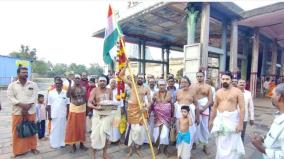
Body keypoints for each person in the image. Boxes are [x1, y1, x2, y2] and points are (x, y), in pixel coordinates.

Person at [209, 71, 245, 159]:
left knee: (232, 143)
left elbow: (242, 108)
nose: (225, 81)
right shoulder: (218, 92)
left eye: (227, 79)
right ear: (221, 80)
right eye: (223, 79)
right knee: (220, 141)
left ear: (231, 80)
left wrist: (240, 124)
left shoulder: (237, 91)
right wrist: (211, 120)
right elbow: (214, 107)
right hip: (220, 120)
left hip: (232, 120)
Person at [119, 62, 151, 158]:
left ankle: (137, 149)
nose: (140, 79)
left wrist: (146, 108)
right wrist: (126, 65)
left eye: (142, 78)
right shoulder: (132, 84)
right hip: (131, 110)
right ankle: (130, 150)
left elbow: (149, 101)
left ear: (144, 79)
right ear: (136, 78)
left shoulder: (146, 89)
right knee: (132, 130)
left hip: (141, 110)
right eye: (139, 77)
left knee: (140, 131)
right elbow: (121, 75)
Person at [7, 66, 39, 157]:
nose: (25, 74)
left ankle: (33, 148)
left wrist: (27, 107)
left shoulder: (33, 84)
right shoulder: (12, 85)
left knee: (32, 130)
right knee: (17, 131)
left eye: (26, 72)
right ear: (18, 74)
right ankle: (17, 151)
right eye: (23, 72)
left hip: (30, 111)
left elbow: (35, 96)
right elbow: (10, 97)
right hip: (17, 112)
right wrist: (21, 105)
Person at [251, 83, 284, 158]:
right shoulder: (279, 115)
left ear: (279, 97)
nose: (271, 97)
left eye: (273, 94)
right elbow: (276, 135)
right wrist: (263, 137)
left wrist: (261, 148)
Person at [88, 75, 113, 159]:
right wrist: (96, 107)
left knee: (106, 136)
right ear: (97, 82)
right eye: (101, 81)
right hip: (97, 116)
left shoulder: (110, 90)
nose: (102, 82)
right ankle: (93, 155)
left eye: (104, 81)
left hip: (107, 115)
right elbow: (89, 103)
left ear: (106, 82)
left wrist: (112, 106)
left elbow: (111, 102)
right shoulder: (94, 90)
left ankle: (104, 154)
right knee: (95, 136)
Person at [65, 74, 88, 153]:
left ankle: (82, 144)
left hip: (82, 109)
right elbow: (68, 95)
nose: (77, 80)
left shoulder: (84, 88)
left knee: (82, 128)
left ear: (80, 79)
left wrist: (87, 110)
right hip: (73, 110)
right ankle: (73, 145)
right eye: (75, 78)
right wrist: (70, 83)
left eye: (78, 78)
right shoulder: (71, 88)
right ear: (73, 80)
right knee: (73, 128)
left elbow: (85, 99)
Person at [175, 76, 199, 150]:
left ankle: (188, 151)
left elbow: (197, 105)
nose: (184, 84)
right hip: (179, 115)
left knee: (190, 133)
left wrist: (198, 117)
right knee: (179, 132)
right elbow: (175, 104)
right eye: (182, 82)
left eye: (185, 82)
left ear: (189, 83)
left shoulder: (193, 92)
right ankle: (180, 150)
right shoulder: (178, 92)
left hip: (190, 115)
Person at [47, 78, 70, 149]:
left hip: (63, 114)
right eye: (56, 83)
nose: (58, 84)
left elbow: (68, 104)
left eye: (59, 83)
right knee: (54, 129)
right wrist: (49, 115)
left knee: (63, 129)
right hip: (54, 114)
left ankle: (62, 143)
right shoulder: (51, 92)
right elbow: (49, 105)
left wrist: (67, 114)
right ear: (54, 84)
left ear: (62, 85)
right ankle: (54, 144)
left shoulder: (65, 93)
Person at [152, 79, 173, 155]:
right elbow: (154, 103)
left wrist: (158, 100)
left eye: (163, 85)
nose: (161, 86)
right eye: (160, 85)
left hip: (166, 117)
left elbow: (164, 101)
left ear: (165, 85)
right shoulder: (155, 93)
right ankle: (157, 148)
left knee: (165, 134)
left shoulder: (169, 93)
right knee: (156, 133)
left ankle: (165, 149)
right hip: (157, 117)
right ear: (157, 86)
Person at [193, 71, 213, 154]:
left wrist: (204, 108)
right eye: (198, 76)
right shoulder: (193, 86)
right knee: (194, 126)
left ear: (204, 76)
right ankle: (193, 143)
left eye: (201, 76)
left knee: (204, 128)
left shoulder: (208, 87)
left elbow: (210, 100)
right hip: (195, 107)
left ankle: (205, 146)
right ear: (196, 77)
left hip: (205, 108)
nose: (199, 78)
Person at [108, 78, 124, 144]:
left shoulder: (119, 91)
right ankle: (109, 139)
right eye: (112, 82)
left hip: (117, 109)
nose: (113, 84)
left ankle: (116, 139)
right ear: (109, 83)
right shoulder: (107, 90)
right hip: (109, 109)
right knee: (109, 124)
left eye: (115, 83)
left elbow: (121, 100)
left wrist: (122, 107)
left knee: (116, 124)